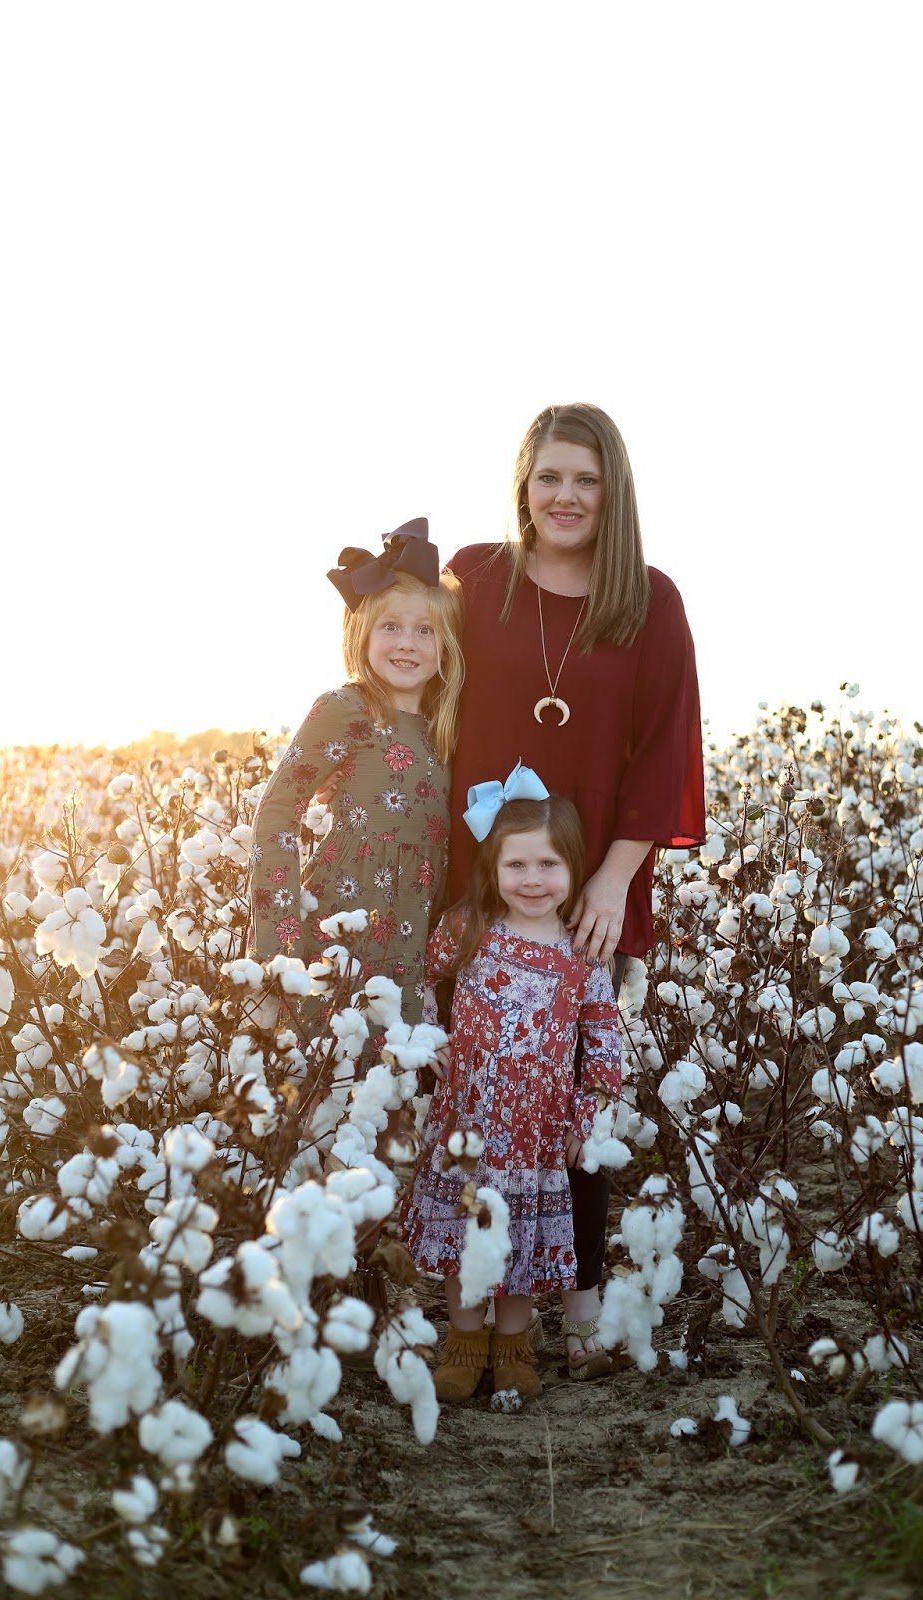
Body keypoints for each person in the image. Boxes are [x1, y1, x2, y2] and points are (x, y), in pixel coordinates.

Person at [444, 403, 705, 1376]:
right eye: (549, 476)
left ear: (612, 492)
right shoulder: (475, 578)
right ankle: (474, 1300)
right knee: (474, 1094)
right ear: (524, 484)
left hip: (592, 886)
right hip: (479, 885)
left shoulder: (648, 600)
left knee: (576, 1097)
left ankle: (582, 1301)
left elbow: (667, 746)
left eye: (585, 480)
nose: (565, 496)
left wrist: (613, 881)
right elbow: (413, 672)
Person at [400, 771, 622, 1402]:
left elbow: (603, 1035)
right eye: (516, 864)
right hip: (467, 1124)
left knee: (519, 1242)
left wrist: (588, 1116)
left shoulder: (581, 951)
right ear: (492, 868)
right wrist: (427, 1035)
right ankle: (465, 1345)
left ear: (574, 869)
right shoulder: (469, 926)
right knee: (466, 1238)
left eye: (549, 865)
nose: (532, 880)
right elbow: (421, 978)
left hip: (536, 1133)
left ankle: (513, 1347)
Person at [249, 518, 464, 1053]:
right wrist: (279, 941)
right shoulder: (345, 709)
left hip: (415, 937)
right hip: (342, 926)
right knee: (331, 1068)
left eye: (425, 630)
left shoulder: (448, 725)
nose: (407, 643)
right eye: (391, 626)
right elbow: (277, 812)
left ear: (446, 645)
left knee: (395, 1082)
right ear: (361, 633)